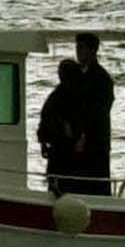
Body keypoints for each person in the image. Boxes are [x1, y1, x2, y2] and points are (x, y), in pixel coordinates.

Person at [72, 31, 115, 195]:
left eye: (81, 48)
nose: (78, 51)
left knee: (96, 181)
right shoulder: (78, 74)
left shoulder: (101, 78)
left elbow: (99, 112)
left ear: (92, 50)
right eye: (77, 47)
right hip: (80, 136)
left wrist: (85, 135)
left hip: (95, 140)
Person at [36, 57, 86, 195]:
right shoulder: (72, 94)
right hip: (64, 145)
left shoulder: (58, 94)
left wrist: (42, 142)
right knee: (67, 181)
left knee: (57, 181)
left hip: (59, 144)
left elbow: (45, 117)